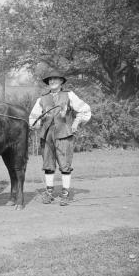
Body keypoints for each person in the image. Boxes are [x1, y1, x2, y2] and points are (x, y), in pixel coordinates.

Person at [29, 70, 91, 206]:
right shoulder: (42, 99)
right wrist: (39, 122)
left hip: (64, 135)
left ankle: (65, 194)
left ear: (61, 81)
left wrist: (75, 123)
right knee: (48, 165)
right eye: (50, 80)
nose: (52, 82)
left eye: (55, 79)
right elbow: (33, 119)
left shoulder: (69, 95)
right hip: (47, 136)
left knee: (65, 165)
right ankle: (49, 193)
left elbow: (85, 110)